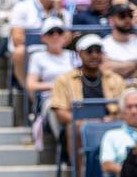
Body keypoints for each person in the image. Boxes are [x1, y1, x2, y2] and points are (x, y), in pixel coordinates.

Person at [47, 35, 126, 170]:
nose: (94, 55)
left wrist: (111, 118)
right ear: (79, 54)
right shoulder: (64, 80)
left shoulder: (115, 79)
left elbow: (124, 108)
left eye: (98, 51)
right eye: (89, 51)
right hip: (81, 124)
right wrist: (83, 122)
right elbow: (60, 112)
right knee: (75, 128)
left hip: (110, 122)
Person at [8, 0, 72, 92]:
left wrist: (58, 14)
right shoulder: (23, 7)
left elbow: (67, 40)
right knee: (19, 51)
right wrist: (51, 40)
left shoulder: (64, 14)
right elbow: (17, 39)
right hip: (31, 53)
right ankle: (29, 93)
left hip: (55, 52)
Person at [25, 18, 74, 126]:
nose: (55, 36)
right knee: (56, 108)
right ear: (43, 37)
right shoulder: (37, 57)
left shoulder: (73, 55)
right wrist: (57, 86)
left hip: (74, 96)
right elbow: (31, 85)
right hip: (50, 98)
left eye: (59, 32)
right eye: (51, 33)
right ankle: (60, 140)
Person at [100, 88, 137, 177]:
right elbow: (106, 165)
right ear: (122, 112)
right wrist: (132, 173)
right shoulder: (111, 135)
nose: (133, 111)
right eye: (129, 107)